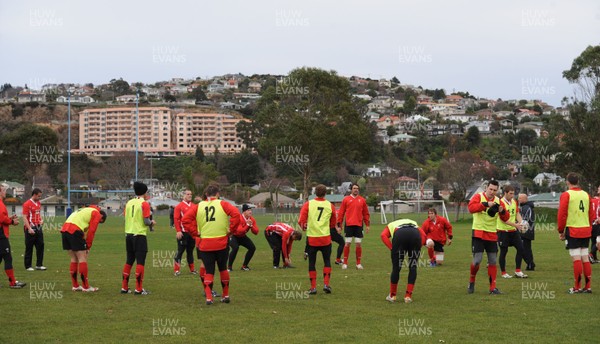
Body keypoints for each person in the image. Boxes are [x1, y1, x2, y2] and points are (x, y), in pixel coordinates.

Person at [184, 183, 240, 305]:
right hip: (221, 242)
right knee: (223, 268)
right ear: (217, 194)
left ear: (205, 194)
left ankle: (209, 298)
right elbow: (236, 214)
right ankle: (225, 295)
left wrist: (195, 233)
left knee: (209, 271)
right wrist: (231, 230)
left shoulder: (198, 206)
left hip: (205, 243)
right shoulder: (223, 204)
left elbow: (185, 220)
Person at [467, 180, 510, 295]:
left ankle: (493, 288)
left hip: (491, 234)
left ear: (497, 191)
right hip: (479, 233)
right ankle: (471, 280)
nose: (492, 192)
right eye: (490, 189)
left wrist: (502, 211)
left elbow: (505, 218)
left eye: (495, 190)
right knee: (477, 261)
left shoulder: (498, 201)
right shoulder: (478, 196)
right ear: (486, 188)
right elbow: (471, 208)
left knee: (492, 261)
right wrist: (485, 204)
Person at [557, 172, 593, 294]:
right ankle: (588, 287)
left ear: (567, 182)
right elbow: (591, 214)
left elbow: (562, 214)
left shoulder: (567, 194)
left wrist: (561, 231)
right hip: (586, 229)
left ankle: (577, 287)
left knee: (576, 257)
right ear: (578, 181)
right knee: (585, 257)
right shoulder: (586, 195)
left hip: (573, 230)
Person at [298, 184, 337, 295]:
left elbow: (301, 220)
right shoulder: (330, 205)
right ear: (325, 193)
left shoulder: (308, 204)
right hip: (325, 238)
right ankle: (326, 284)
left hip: (312, 239)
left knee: (312, 263)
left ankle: (313, 287)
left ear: (315, 193)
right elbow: (333, 222)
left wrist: (304, 227)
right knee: (327, 261)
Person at [380, 218, 430, 303]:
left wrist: (392, 248)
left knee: (396, 268)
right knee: (413, 267)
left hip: (400, 235)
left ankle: (392, 296)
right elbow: (424, 236)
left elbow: (383, 235)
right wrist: (418, 247)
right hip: (415, 234)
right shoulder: (413, 222)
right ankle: (408, 296)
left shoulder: (392, 224)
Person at [61, 205, 107, 292]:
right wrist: (88, 247)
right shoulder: (96, 214)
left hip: (65, 230)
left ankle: (75, 286)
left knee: (74, 258)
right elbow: (91, 231)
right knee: (82, 257)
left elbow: (85, 229)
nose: (98, 223)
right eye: (99, 222)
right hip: (74, 230)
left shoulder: (85, 209)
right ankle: (86, 287)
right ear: (101, 217)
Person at [121, 182, 156, 295]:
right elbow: (146, 221)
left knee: (129, 260)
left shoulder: (129, 203)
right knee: (140, 262)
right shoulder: (144, 204)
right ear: (145, 192)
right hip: (139, 235)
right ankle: (138, 289)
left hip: (128, 235)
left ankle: (124, 287)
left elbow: (125, 218)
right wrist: (152, 223)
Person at [497, 185, 533, 279]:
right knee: (504, 251)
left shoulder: (514, 201)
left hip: (513, 231)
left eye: (513, 193)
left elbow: (517, 213)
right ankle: (504, 273)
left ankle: (518, 271)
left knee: (521, 248)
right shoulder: (500, 203)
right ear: (505, 193)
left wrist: (521, 223)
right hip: (503, 230)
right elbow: (503, 219)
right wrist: (516, 225)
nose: (512, 195)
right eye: (510, 193)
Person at [337, 183, 370, 270]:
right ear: (351, 189)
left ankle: (358, 264)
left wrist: (367, 225)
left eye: (357, 188)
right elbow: (341, 213)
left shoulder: (362, 200)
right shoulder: (346, 199)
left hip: (359, 225)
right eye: (354, 188)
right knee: (347, 243)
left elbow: (366, 213)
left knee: (358, 244)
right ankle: (345, 263)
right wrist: (339, 225)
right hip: (349, 225)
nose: (356, 190)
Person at [0, 185, 26, 289]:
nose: (5, 193)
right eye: (4, 191)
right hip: (1, 235)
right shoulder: (0, 204)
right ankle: (13, 282)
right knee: (8, 258)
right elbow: (2, 219)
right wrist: (11, 221)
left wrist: (8, 218)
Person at [228, 204, 258, 271]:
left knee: (252, 248)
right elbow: (239, 231)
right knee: (235, 248)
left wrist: (251, 225)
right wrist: (248, 225)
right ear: (244, 212)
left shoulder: (251, 219)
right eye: (248, 210)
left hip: (242, 237)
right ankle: (229, 267)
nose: (250, 212)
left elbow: (256, 232)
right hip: (234, 236)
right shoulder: (239, 218)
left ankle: (244, 266)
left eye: (251, 210)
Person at [173, 190, 196, 276]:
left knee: (190, 251)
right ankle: (176, 270)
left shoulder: (194, 206)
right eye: (188, 194)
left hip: (192, 233)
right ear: (183, 196)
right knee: (180, 251)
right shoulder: (179, 206)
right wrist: (178, 230)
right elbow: (176, 219)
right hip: (183, 232)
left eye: (191, 194)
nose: (190, 195)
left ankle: (192, 269)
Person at [23, 188, 45, 271]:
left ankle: (39, 265)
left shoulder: (38, 203)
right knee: (29, 247)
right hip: (30, 228)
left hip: (38, 227)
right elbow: (24, 217)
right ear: (34, 195)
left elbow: (38, 214)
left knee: (41, 245)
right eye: (39, 196)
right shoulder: (27, 204)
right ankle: (28, 266)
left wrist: (41, 220)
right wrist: (29, 228)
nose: (40, 198)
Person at [517, 193, 536, 271]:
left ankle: (530, 264)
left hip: (525, 232)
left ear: (525, 199)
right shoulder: (525, 207)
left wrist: (521, 229)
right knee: (525, 249)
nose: (518, 200)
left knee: (524, 249)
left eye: (520, 198)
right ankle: (530, 264)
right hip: (525, 231)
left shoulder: (527, 208)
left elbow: (525, 221)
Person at [589, 186, 600, 264]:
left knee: (593, 241)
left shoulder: (591, 200)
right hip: (597, 222)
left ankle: (594, 258)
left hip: (591, 223)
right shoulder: (599, 201)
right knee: (598, 242)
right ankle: (591, 254)